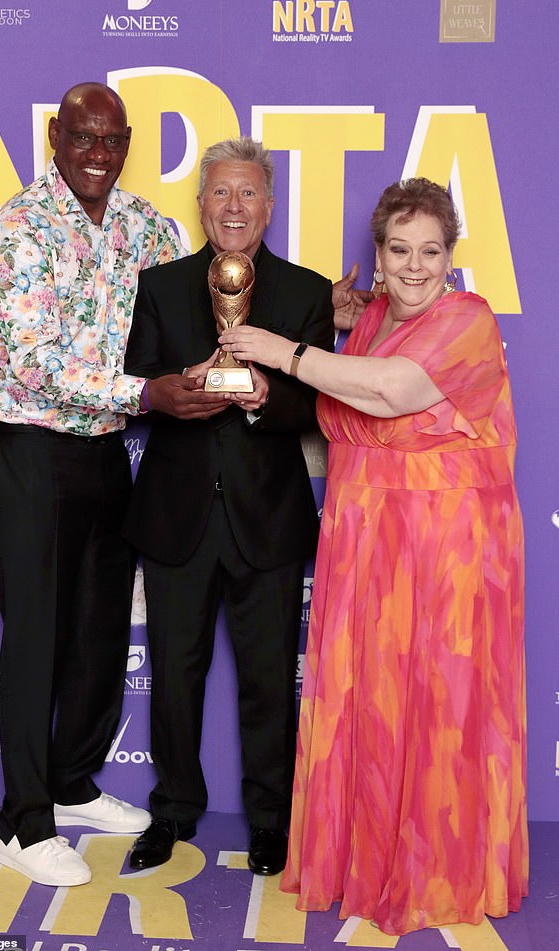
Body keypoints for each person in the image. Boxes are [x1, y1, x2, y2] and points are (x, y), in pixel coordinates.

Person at [220, 178, 528, 933]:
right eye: (399, 250)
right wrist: (329, 320)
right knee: (376, 708)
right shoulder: (375, 320)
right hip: (369, 553)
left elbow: (390, 393)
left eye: (431, 250)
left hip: (445, 558)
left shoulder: (468, 321)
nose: (415, 266)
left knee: (437, 706)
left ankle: (437, 867)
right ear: (378, 256)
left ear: (451, 257)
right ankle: (371, 853)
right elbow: (350, 395)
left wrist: (284, 349)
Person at [0, 82, 191, 887]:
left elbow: (205, 296)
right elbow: (35, 362)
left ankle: (70, 783)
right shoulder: (21, 230)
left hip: (102, 443)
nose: (97, 154)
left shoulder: (145, 226)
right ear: (56, 138)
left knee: (98, 628)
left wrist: (315, 308)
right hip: (26, 441)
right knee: (37, 633)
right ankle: (20, 824)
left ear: (126, 143)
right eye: (82, 138)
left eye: (112, 140)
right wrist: (146, 394)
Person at [123, 137, 335, 876]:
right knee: (174, 676)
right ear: (202, 203)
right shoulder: (159, 285)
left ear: (269, 207)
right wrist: (181, 383)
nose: (234, 207)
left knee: (270, 679)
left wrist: (265, 396)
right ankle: (173, 810)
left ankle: (272, 822)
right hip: (177, 517)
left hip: (266, 519)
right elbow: (138, 386)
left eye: (248, 194)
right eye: (221, 193)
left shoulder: (306, 293)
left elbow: (315, 404)